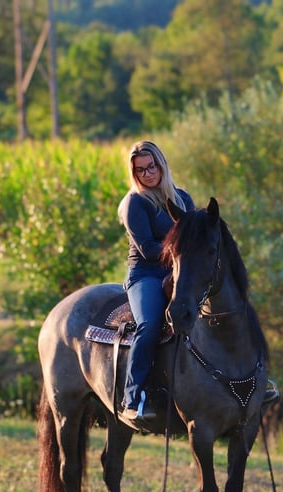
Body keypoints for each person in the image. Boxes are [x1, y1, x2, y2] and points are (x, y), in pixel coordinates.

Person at [118, 141, 195, 426]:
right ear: (134, 174)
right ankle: (132, 396)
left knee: (219, 311)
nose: (148, 174)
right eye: (141, 170)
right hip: (146, 274)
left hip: (181, 271)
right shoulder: (135, 203)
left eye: (152, 166)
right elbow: (149, 249)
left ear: (162, 164)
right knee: (149, 326)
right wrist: (181, 250)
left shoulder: (183, 199)